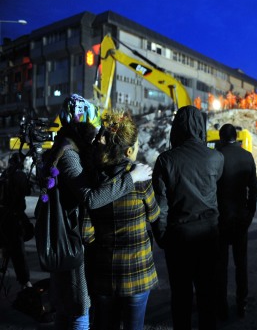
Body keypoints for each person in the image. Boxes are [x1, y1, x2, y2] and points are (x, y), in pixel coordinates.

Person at [42, 94, 152, 330]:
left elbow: (89, 222)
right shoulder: (70, 155)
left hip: (79, 244)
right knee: (78, 310)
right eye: (93, 129)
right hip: (71, 240)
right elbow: (91, 199)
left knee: (72, 308)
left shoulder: (76, 151)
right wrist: (131, 177)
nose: (96, 136)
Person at [85, 111, 160, 330]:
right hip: (137, 274)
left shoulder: (95, 180)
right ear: (129, 150)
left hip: (105, 276)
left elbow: (86, 233)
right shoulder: (141, 179)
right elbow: (154, 215)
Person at [152, 105, 224, 330]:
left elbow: (160, 207)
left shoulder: (165, 160)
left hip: (179, 238)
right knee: (206, 296)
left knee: (181, 297)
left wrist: (161, 237)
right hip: (209, 235)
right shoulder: (216, 158)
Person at [216, 124, 257, 320]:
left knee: (221, 265)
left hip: (221, 219)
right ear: (236, 137)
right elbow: (254, 189)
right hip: (241, 219)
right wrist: (250, 213)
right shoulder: (247, 156)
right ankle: (242, 304)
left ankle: (221, 305)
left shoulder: (216, 157)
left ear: (221, 137)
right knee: (241, 264)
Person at [0, 153, 32, 289]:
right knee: (18, 250)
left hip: (3, 214)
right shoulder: (19, 175)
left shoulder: (5, 174)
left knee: (9, 243)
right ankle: (25, 282)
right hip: (14, 216)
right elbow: (26, 191)